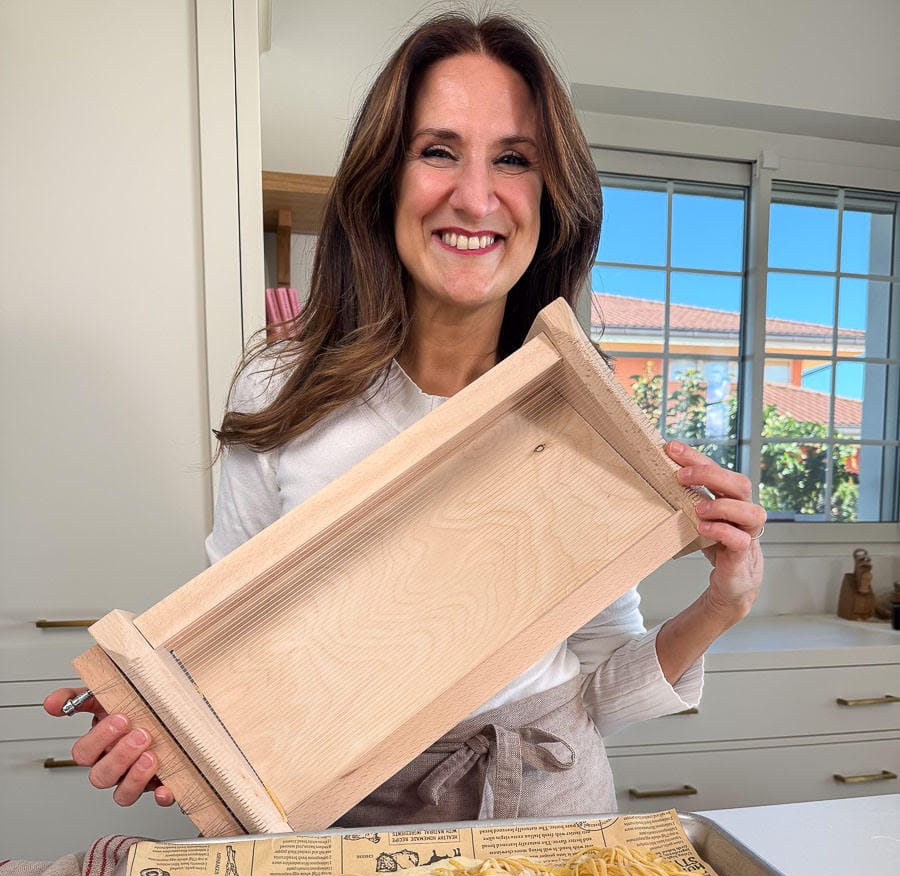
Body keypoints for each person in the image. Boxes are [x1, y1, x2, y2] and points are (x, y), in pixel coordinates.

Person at [44, 12, 765, 826]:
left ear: (548, 195)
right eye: (438, 150)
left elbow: (602, 687)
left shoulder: (582, 408)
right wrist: (154, 723)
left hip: (549, 804)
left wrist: (722, 603)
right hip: (336, 816)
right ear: (384, 177)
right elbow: (220, 667)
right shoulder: (281, 388)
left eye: (514, 159)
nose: (475, 195)